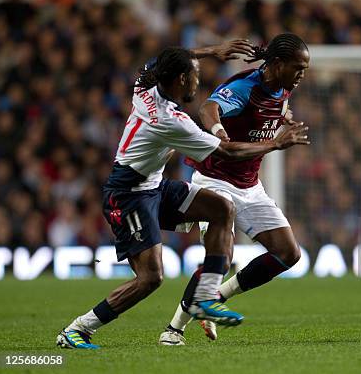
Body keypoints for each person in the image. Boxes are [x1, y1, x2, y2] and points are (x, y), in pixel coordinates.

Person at [57, 42, 310, 350]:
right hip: (127, 196)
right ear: (180, 80)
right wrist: (275, 144)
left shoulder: (145, 85)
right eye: (195, 75)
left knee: (221, 209)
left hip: (154, 186)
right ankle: (79, 328)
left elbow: (168, 58)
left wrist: (212, 50)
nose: (198, 81)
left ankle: (206, 297)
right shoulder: (172, 122)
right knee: (150, 278)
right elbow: (228, 152)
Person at [158, 33, 310, 345]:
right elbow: (208, 109)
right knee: (221, 256)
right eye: (298, 68)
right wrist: (219, 133)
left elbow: (274, 108)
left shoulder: (282, 87)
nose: (301, 74)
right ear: (277, 64)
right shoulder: (245, 87)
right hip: (215, 181)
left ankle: (217, 296)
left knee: (288, 253)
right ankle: (173, 329)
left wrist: (285, 117)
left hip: (249, 185)